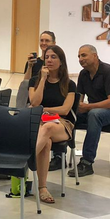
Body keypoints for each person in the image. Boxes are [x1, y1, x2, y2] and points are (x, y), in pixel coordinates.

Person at [70, 45, 110, 177]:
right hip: (95, 110)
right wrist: (76, 106)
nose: (80, 59)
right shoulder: (83, 74)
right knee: (70, 115)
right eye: (79, 56)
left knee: (94, 115)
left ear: (95, 56)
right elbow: (79, 98)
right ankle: (58, 155)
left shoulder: (108, 71)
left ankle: (87, 161)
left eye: (84, 55)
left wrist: (87, 107)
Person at [29, 45, 76, 205]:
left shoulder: (69, 84)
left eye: (54, 57)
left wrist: (45, 109)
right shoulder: (35, 80)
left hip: (61, 124)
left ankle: (25, 159)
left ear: (61, 61)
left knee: (48, 129)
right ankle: (42, 188)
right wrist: (42, 79)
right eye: (47, 57)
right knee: (46, 141)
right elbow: (34, 102)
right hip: (40, 122)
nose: (49, 60)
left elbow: (65, 109)